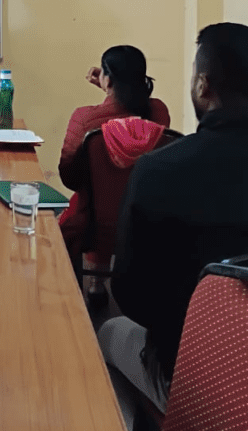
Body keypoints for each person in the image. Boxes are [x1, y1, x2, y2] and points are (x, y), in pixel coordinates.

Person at [100, 22, 248, 428]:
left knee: (106, 332)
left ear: (203, 85)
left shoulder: (159, 170)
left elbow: (129, 292)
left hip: (193, 375)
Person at [58, 45, 170, 303]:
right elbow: (130, 113)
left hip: (93, 223)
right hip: (145, 219)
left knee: (88, 197)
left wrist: (110, 91)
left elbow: (69, 176)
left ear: (107, 78)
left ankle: (95, 285)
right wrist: (111, 89)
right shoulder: (158, 113)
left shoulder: (85, 119)